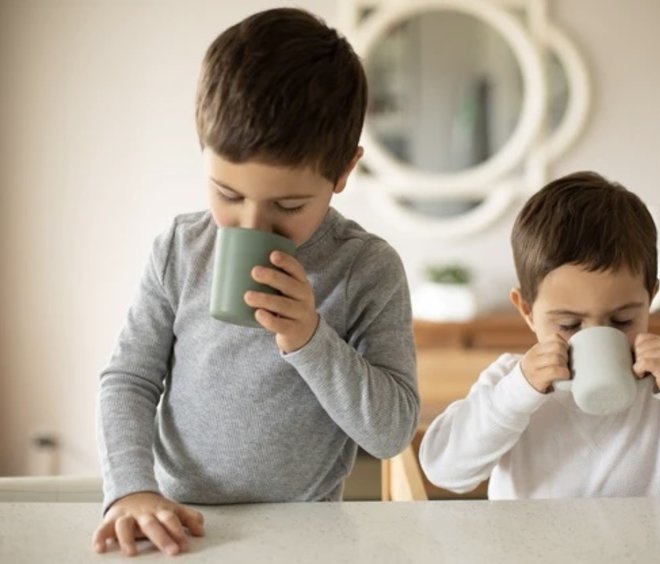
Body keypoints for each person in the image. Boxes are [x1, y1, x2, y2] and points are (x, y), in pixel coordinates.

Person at [93, 8, 419, 556]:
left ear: (343, 172)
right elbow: (128, 380)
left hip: (306, 535)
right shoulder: (180, 249)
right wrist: (131, 490)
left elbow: (389, 434)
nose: (249, 225)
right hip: (179, 524)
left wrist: (312, 340)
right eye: (227, 193)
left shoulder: (367, 269)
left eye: (287, 205)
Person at [419, 171, 660, 499]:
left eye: (622, 320)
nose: (594, 336)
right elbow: (444, 469)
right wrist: (516, 393)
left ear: (650, 299)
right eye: (569, 325)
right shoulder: (509, 383)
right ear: (527, 310)